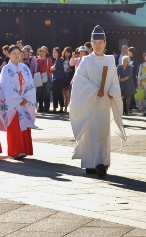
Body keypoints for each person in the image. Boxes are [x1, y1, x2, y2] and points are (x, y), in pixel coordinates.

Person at [70, 26, 125, 178]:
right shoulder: (86, 61)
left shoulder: (110, 60)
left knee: (103, 133)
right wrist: (94, 90)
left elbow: (114, 79)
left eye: (101, 42)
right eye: (95, 42)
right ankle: (91, 163)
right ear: (91, 43)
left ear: (105, 43)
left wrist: (112, 91)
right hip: (90, 103)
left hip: (105, 102)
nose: (98, 45)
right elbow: (79, 82)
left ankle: (102, 162)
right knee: (91, 133)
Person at [0, 45, 36, 159]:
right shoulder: (6, 69)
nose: (16, 55)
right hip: (13, 103)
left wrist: (26, 98)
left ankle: (25, 149)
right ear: (9, 55)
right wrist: (18, 99)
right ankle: (15, 151)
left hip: (25, 101)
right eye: (14, 53)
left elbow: (30, 83)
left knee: (25, 125)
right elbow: (5, 86)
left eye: (18, 53)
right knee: (14, 126)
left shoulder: (25, 68)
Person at [36, 46, 53, 113]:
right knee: (40, 93)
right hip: (39, 77)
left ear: (46, 53)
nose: (42, 53)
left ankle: (47, 107)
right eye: (41, 51)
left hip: (47, 77)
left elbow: (51, 68)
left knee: (47, 92)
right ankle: (40, 107)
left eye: (43, 51)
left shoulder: (49, 60)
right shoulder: (37, 60)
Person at [50, 47, 67, 113]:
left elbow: (54, 68)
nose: (53, 53)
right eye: (53, 52)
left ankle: (55, 108)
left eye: (55, 52)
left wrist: (51, 68)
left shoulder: (59, 60)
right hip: (59, 79)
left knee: (55, 93)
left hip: (57, 79)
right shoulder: (57, 60)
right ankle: (61, 107)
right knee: (60, 93)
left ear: (58, 53)